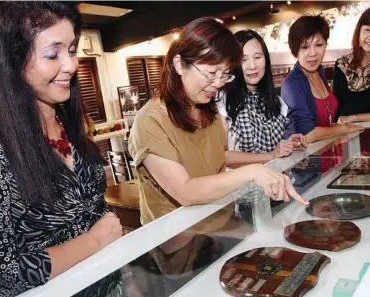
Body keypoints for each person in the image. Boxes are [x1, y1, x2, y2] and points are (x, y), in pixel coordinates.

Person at [0, 2, 125, 296]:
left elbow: (96, 210)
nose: (70, 65)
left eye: (71, 50)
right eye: (52, 54)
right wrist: (94, 241)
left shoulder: (71, 123)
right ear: (12, 61)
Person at [128, 17, 309, 230]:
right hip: (176, 239)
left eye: (225, 75)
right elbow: (185, 191)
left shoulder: (209, 108)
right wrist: (251, 171)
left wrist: (267, 160)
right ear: (179, 65)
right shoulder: (149, 120)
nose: (217, 84)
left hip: (220, 223)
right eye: (211, 73)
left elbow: (218, 155)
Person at [216, 29, 307, 168]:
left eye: (258, 57)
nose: (252, 66)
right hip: (238, 186)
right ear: (232, 63)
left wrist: (290, 143)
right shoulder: (221, 101)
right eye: (243, 60)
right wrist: (270, 155)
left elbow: (281, 146)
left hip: (274, 182)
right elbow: (221, 156)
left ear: (266, 59)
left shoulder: (278, 103)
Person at [281, 15, 365, 143]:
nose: (313, 53)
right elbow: (308, 133)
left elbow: (327, 121)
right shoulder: (292, 84)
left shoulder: (320, 72)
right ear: (294, 51)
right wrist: (344, 129)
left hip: (329, 151)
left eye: (319, 45)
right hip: (308, 160)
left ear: (326, 45)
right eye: (305, 47)